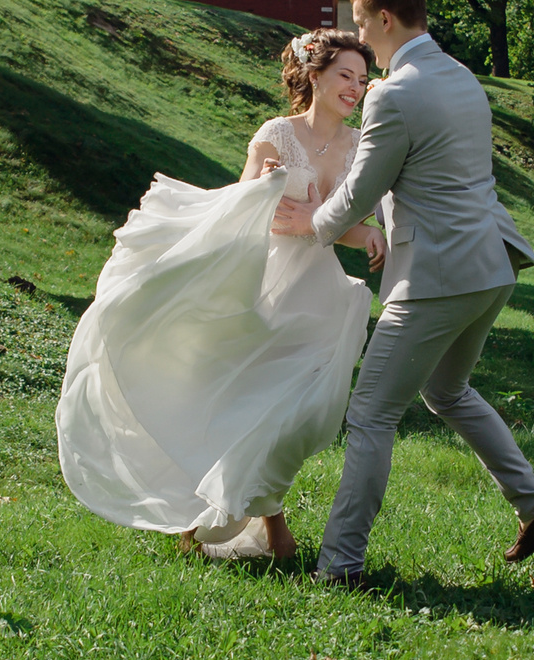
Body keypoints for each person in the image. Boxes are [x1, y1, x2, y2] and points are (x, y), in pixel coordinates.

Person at [271, 0, 534, 588]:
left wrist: (311, 226)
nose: (365, 43)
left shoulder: (395, 92)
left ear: (383, 19)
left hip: (437, 275)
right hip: (491, 265)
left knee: (372, 414)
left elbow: (359, 191)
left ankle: (339, 566)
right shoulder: (461, 76)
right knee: (447, 391)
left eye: (362, 25)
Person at [55, 30, 388, 561]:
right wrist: (266, 188)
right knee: (254, 402)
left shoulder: (357, 146)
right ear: (315, 76)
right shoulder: (276, 135)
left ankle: (254, 516)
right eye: (345, 75)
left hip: (317, 290)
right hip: (266, 278)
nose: (356, 87)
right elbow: (241, 214)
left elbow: (337, 222)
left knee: (297, 412)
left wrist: (368, 233)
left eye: (362, 79)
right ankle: (256, 525)